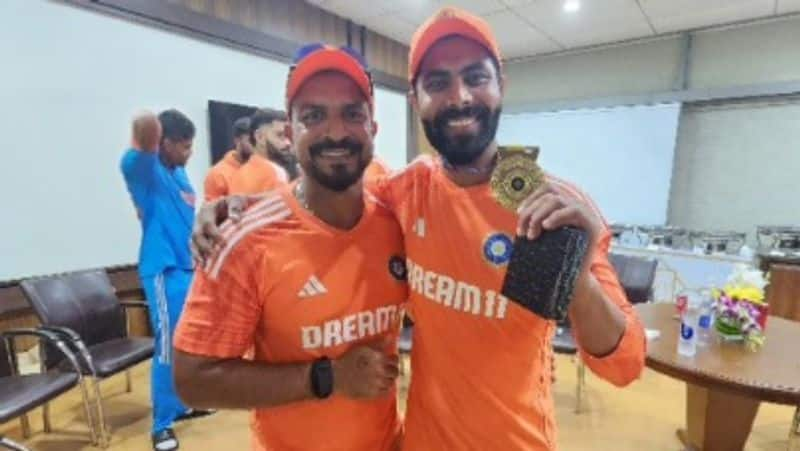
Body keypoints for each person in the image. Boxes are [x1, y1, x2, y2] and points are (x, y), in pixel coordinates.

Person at [193, 8, 645, 450]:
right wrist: (243, 204)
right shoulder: (406, 191)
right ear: (416, 100)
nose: (460, 97)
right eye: (437, 83)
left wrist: (578, 279)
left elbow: (623, 366)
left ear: (501, 86)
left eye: (475, 77)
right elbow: (328, 189)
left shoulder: (546, 205)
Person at [173, 44, 406, 451]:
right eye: (314, 116)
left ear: (373, 129)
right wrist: (327, 377)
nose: (335, 132)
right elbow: (192, 378)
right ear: (290, 132)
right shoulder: (244, 238)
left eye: (352, 113)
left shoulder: (398, 215)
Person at [120, 109, 210, 451]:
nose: (189, 153)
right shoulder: (145, 171)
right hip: (163, 269)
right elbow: (142, 125)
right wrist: (150, 135)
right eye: (184, 146)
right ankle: (161, 425)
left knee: (190, 343)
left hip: (189, 268)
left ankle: (182, 403)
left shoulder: (181, 175)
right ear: (164, 143)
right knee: (169, 345)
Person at [203, 116, 254, 201]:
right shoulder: (217, 174)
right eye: (250, 140)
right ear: (237, 140)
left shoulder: (262, 168)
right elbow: (212, 211)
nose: (255, 146)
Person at [249, 107, 297, 180]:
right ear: (259, 137)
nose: (288, 143)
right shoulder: (276, 176)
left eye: (289, 135)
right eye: (280, 135)